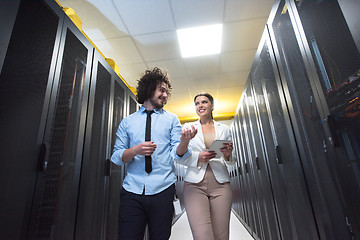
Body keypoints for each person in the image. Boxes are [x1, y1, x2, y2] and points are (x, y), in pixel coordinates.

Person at [111, 67, 197, 240]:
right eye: (162, 90)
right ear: (149, 89)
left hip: (163, 190)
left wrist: (185, 141)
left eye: (166, 92)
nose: (165, 95)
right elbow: (116, 157)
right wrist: (135, 150)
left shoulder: (171, 119)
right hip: (132, 191)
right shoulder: (128, 122)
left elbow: (177, 154)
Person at [176, 92, 236, 240]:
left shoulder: (224, 129)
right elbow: (180, 158)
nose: (200, 106)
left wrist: (228, 154)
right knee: (201, 235)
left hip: (221, 184)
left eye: (204, 102)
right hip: (194, 184)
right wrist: (197, 156)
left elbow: (232, 160)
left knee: (221, 235)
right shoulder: (188, 128)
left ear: (212, 105)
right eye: (197, 103)